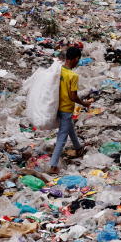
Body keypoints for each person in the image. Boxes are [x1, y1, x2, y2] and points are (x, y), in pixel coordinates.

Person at [49, 46, 92, 174]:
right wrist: (84, 103)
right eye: (78, 60)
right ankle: (53, 165)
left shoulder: (58, 71)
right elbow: (73, 96)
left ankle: (78, 147)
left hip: (56, 106)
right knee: (62, 137)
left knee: (69, 127)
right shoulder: (73, 76)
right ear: (76, 59)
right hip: (67, 108)